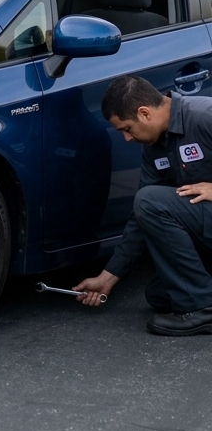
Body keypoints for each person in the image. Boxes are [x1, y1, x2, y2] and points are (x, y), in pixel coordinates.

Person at [74, 74, 212, 336]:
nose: (127, 138)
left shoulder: (204, 116)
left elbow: (149, 204)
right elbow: (141, 218)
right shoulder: (155, 146)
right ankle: (198, 299)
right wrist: (108, 277)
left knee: (150, 199)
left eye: (126, 129)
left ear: (145, 113)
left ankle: (202, 308)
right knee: (160, 295)